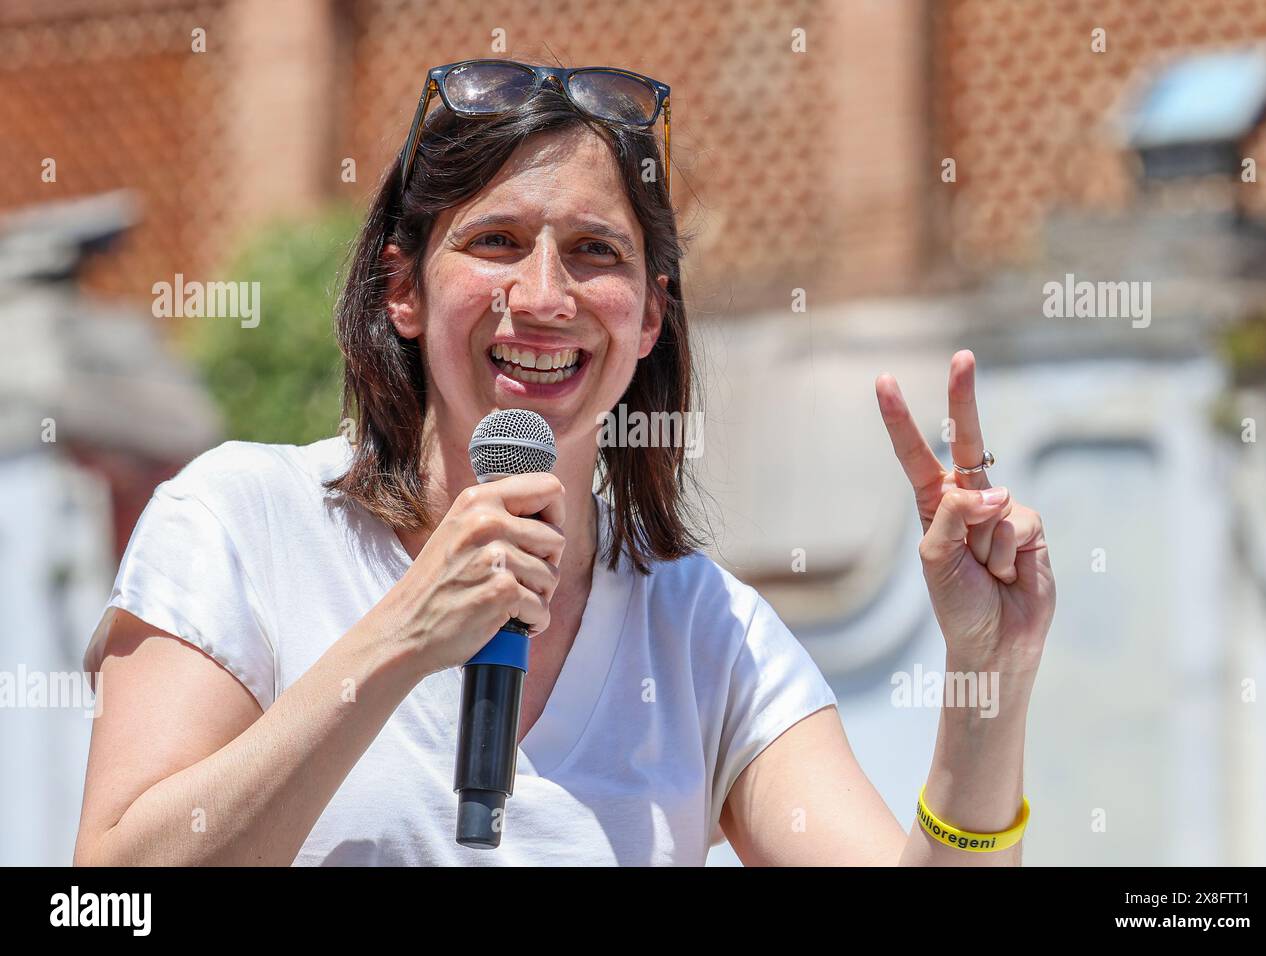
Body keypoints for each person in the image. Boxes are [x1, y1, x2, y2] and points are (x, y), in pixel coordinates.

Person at [74, 59, 1055, 866]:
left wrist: (988, 672)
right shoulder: (243, 523)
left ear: (649, 314)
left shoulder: (704, 633)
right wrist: (402, 635)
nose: (542, 296)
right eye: (495, 241)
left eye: (593, 250)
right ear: (403, 290)